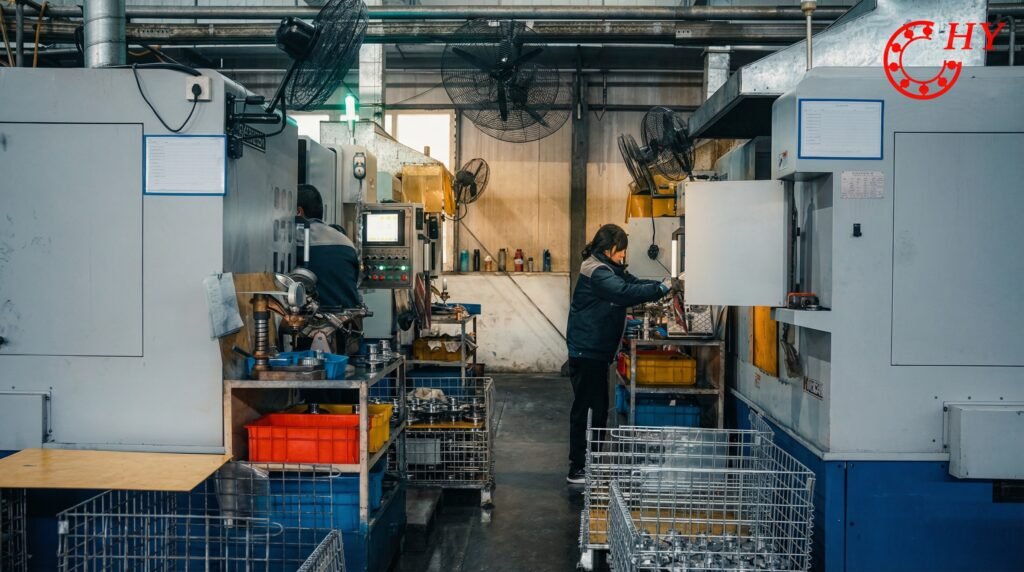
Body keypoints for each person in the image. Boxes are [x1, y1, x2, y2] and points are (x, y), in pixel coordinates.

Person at [565, 224, 671, 484]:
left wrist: (663, 285)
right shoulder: (598, 271)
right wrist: (661, 290)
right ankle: (578, 467)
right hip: (587, 350)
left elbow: (632, 283)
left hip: (596, 351)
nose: (623, 256)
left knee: (598, 409)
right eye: (620, 250)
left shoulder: (609, 268)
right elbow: (624, 293)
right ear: (608, 248)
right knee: (586, 409)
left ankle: (590, 462)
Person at [295, 184, 361, 310]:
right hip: (349, 322)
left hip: (317, 323)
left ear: (299, 211)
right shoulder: (345, 242)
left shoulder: (296, 238)